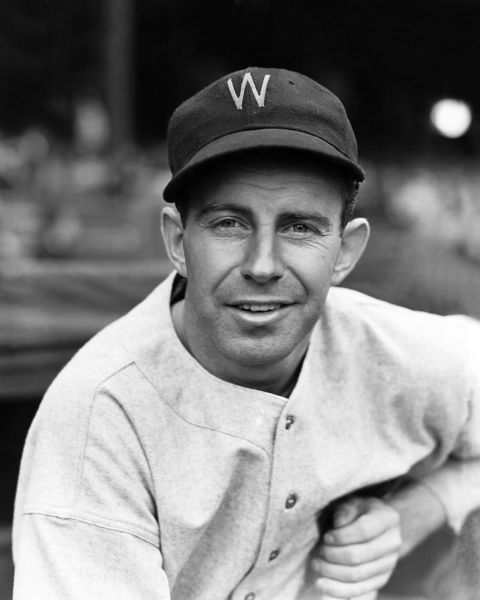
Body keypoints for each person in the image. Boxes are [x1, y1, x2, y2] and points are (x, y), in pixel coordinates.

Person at [12, 67, 480, 600]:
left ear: (346, 252)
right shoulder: (100, 417)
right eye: (229, 223)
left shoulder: (393, 349)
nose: (262, 264)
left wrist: (418, 509)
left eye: (299, 226)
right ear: (176, 240)